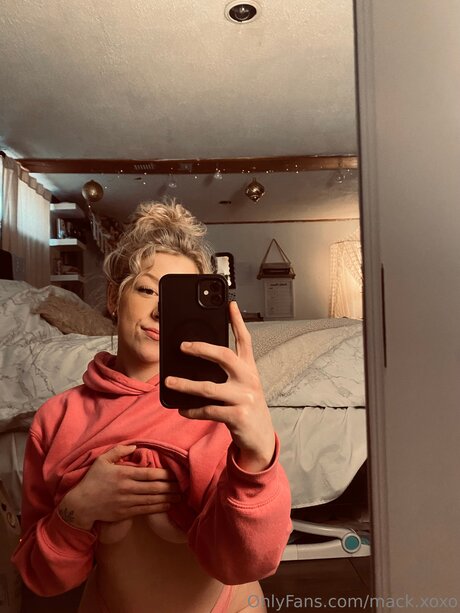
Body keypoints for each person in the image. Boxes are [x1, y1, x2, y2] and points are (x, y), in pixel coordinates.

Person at [11, 201, 292, 613]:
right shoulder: (57, 419)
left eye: (178, 300)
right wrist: (77, 509)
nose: (161, 310)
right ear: (114, 297)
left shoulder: (218, 409)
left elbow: (252, 560)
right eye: (147, 290)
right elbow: (40, 577)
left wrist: (259, 454)